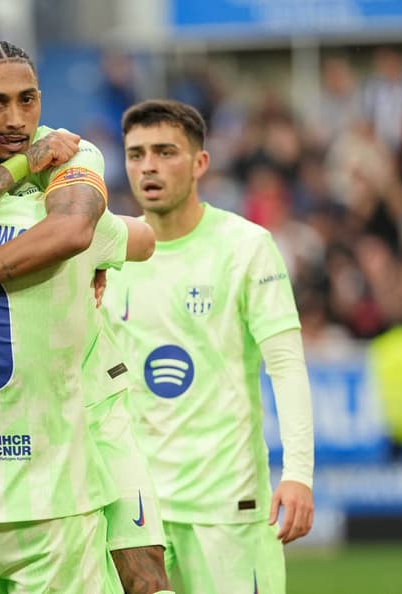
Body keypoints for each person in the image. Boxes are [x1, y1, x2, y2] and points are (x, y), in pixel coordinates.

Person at [0, 40, 171, 594]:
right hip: (16, 423)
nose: (16, 120)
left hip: (93, 403)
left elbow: (69, 232)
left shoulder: (73, 151)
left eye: (28, 99)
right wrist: (23, 171)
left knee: (145, 576)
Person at [103, 99, 315, 594]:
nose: (148, 166)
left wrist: (299, 472)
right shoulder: (108, 251)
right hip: (137, 504)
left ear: (200, 163)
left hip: (228, 503)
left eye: (164, 152)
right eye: (136, 154)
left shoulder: (246, 247)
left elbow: (284, 364)